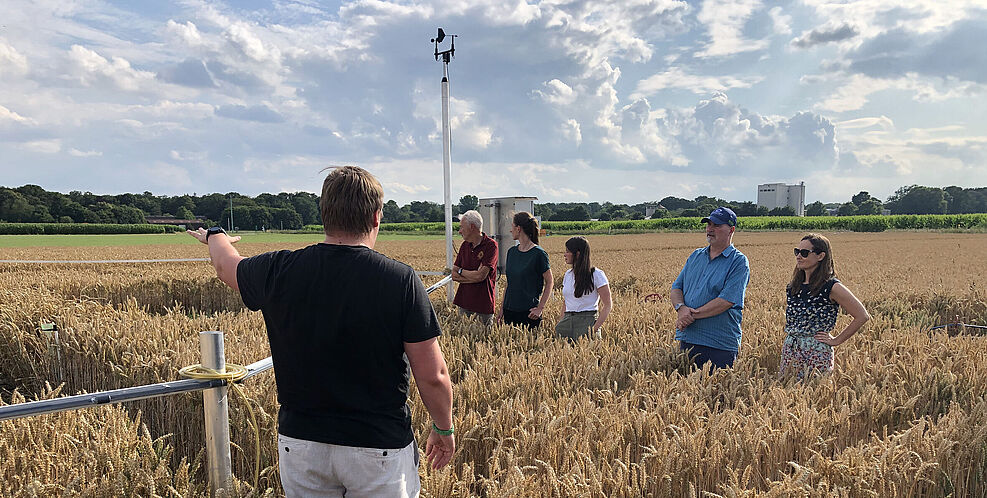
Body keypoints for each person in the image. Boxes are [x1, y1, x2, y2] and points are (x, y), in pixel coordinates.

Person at [187, 166, 454, 497]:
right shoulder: (400, 280)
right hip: (378, 448)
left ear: (324, 213)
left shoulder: (278, 270)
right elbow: (433, 375)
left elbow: (225, 265)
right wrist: (443, 427)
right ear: (375, 218)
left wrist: (215, 234)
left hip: (301, 445)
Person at [670, 207, 750, 370]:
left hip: (719, 343)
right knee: (685, 393)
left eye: (717, 225)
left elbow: (726, 301)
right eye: (709, 224)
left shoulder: (738, 262)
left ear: (731, 230)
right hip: (689, 338)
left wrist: (690, 315)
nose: (710, 229)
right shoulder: (695, 256)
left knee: (715, 393)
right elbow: (676, 288)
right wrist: (681, 308)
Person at [780, 233, 870, 377]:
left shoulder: (831, 286)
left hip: (816, 352)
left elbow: (862, 316)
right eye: (797, 251)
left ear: (821, 256)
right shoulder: (793, 287)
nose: (799, 256)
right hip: (790, 350)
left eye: (804, 253)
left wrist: (836, 340)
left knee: (815, 395)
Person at [495, 212, 552, 328]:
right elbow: (509, 283)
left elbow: (550, 282)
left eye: (512, 227)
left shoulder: (539, 254)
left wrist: (540, 308)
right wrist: (502, 308)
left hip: (529, 313)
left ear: (518, 228)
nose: (510, 230)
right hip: (509, 310)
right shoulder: (512, 252)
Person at [556, 236, 612, 341]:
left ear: (577, 254)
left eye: (567, 251)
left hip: (587, 321)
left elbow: (608, 305)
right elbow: (566, 301)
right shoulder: (568, 275)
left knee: (588, 356)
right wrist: (561, 322)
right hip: (566, 323)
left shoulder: (596, 274)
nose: (564, 254)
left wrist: (594, 329)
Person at [450, 210, 498, 326]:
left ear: (472, 227)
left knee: (483, 339)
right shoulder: (464, 246)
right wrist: (472, 276)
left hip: (483, 304)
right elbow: (454, 274)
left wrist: (462, 272)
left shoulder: (491, 246)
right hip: (464, 302)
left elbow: (481, 275)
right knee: (464, 336)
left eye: (462, 227)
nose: (460, 231)